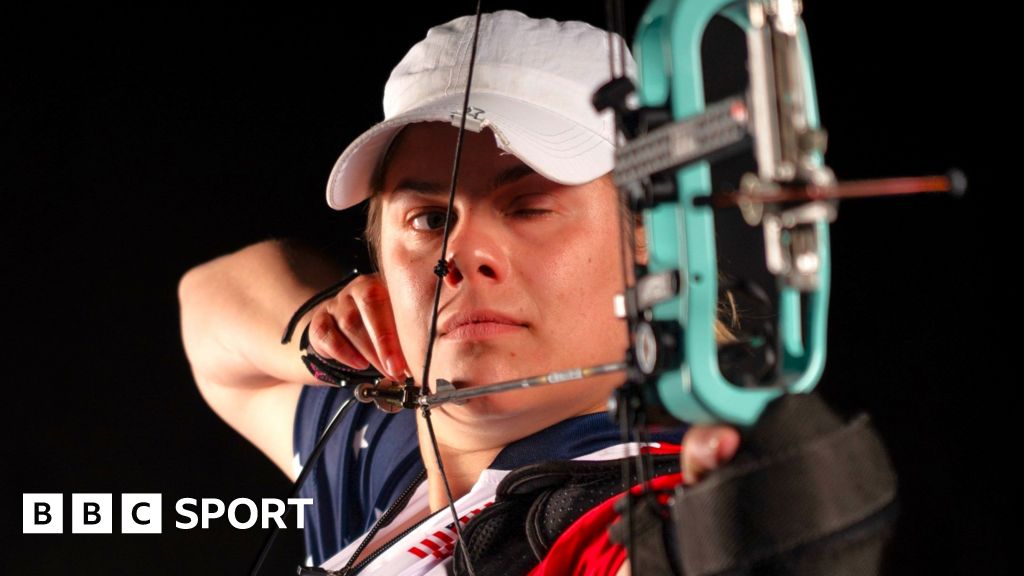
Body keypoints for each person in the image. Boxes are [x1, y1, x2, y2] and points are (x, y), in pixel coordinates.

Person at [179, 10, 740, 574]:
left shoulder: (663, 509)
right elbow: (206, 308)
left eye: (529, 208)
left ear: (652, 238)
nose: (461, 254)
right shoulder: (384, 452)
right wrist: (324, 335)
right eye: (428, 219)